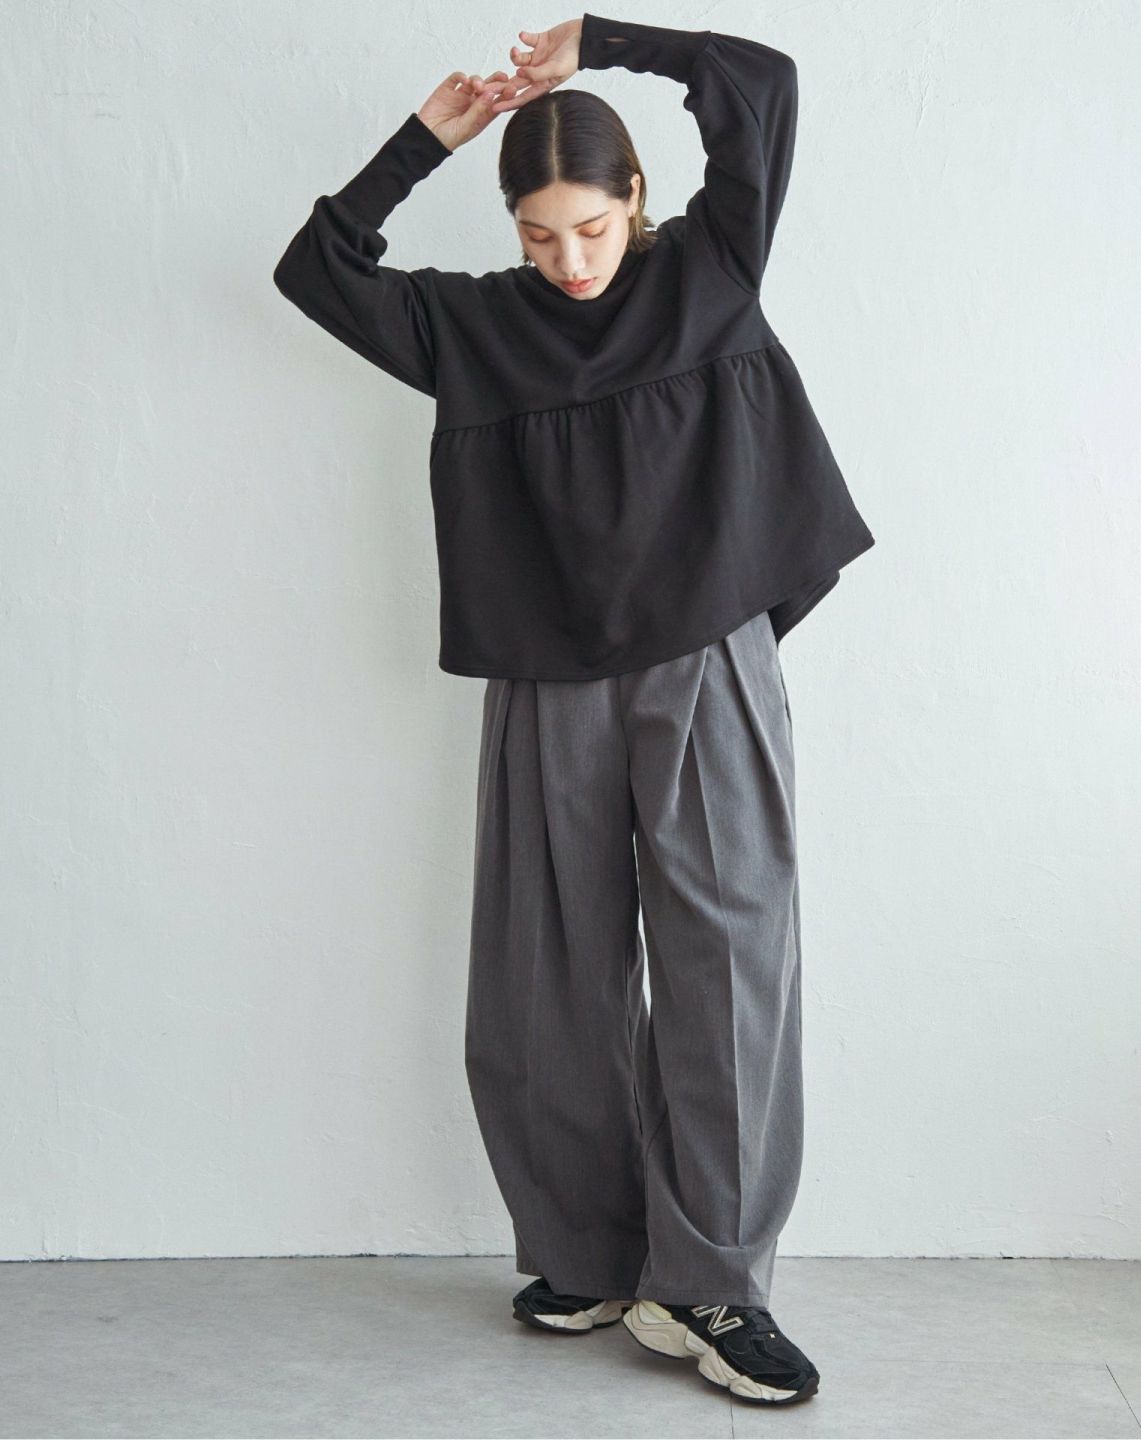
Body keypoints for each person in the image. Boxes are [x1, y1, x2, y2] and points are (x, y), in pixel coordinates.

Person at [274, 12, 876, 1408]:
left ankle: (714, 1285)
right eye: (540, 235)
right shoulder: (476, 327)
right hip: (550, 678)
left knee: (729, 963)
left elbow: (762, 84)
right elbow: (317, 268)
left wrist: (601, 42)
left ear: (638, 199)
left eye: (593, 228)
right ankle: (589, 1254)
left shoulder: (710, 269)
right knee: (548, 974)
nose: (572, 260)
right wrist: (427, 138)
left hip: (708, 662)